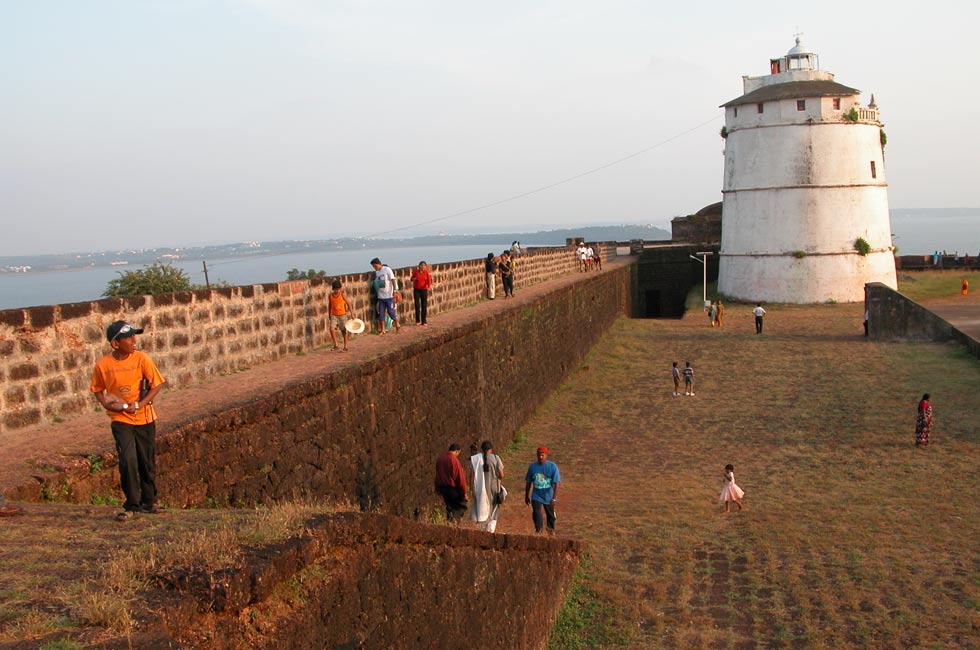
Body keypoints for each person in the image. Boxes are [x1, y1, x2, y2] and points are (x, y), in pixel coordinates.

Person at [91, 321, 166, 521]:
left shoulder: (142, 359)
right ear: (116, 344)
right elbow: (98, 389)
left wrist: (141, 404)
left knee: (146, 460)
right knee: (127, 460)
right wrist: (106, 404)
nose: (134, 341)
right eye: (129, 338)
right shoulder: (103, 365)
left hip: (144, 416)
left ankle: (149, 501)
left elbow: (156, 385)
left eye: (134, 336)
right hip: (120, 418)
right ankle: (132, 504)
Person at [470, 440, 504, 533]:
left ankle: (483, 528)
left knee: (483, 506)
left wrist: (471, 489)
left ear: (482, 449)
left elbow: (472, 476)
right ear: (491, 449)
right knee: (494, 508)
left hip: (481, 487)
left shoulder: (476, 459)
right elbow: (501, 475)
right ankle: (490, 529)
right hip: (494, 487)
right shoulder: (496, 458)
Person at [524, 446, 560, 535]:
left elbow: (556, 483)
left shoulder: (552, 466)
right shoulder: (532, 467)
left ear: (546, 455)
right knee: (536, 512)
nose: (540, 457)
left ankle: (550, 531)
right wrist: (526, 495)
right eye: (539, 455)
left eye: (542, 455)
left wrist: (554, 498)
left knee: (550, 515)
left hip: (549, 495)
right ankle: (538, 530)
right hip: (536, 495)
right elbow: (529, 482)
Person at [435, 443, 468, 523]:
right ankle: (455, 523)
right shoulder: (454, 460)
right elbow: (460, 478)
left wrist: (437, 488)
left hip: (443, 488)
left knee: (449, 506)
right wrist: (464, 492)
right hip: (452, 488)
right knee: (460, 506)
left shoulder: (440, 459)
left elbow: (437, 475)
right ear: (456, 451)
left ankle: (450, 521)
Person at [370, 258, 400, 334]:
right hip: (381, 296)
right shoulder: (377, 272)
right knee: (381, 313)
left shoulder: (387, 269)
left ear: (379, 263)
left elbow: (393, 280)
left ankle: (397, 323)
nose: (375, 268)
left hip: (389, 295)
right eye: (373, 267)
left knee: (390, 311)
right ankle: (383, 329)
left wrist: (394, 291)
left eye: (375, 266)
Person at [328, 280, 353, 351]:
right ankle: (336, 344)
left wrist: (352, 314)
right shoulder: (330, 296)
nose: (337, 290)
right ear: (333, 289)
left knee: (344, 331)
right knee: (331, 329)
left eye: (338, 289)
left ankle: (345, 346)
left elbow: (348, 303)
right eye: (336, 289)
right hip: (334, 315)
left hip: (342, 315)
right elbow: (330, 305)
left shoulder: (342, 294)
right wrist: (329, 313)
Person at [411, 261, 433, 325]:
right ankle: (418, 320)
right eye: (421, 265)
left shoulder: (426, 273)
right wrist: (414, 279)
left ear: (425, 267)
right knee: (417, 305)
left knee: (424, 305)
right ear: (419, 266)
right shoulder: (416, 272)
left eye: (424, 265)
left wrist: (428, 286)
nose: (422, 266)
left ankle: (424, 321)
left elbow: (429, 281)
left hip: (424, 290)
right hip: (416, 290)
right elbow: (411, 279)